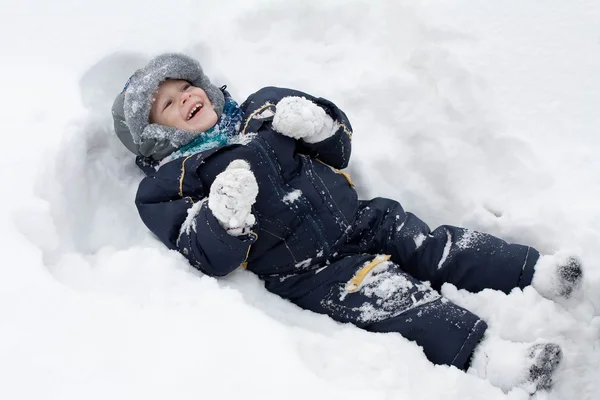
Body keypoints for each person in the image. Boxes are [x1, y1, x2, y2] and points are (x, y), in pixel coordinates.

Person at [112, 53, 582, 393]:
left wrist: (320, 126)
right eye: (168, 104)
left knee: (434, 244)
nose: (185, 97)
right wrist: (222, 219)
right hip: (308, 270)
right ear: (159, 136)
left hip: (359, 218)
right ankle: (490, 359)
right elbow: (203, 254)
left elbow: (337, 150)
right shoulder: (169, 185)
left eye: (184, 85)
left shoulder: (263, 109)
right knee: (396, 300)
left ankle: (533, 270)